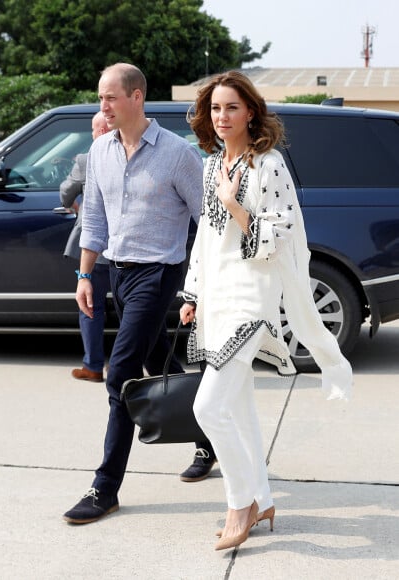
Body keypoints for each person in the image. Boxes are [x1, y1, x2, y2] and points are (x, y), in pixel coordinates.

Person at [179, 71, 352, 551]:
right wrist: (192, 295)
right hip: (216, 296)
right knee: (237, 407)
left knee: (207, 407)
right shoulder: (212, 164)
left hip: (250, 300)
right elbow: (206, 241)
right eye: (215, 109)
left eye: (232, 107)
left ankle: (241, 503)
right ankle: (263, 496)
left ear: (251, 111)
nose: (222, 117)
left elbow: (276, 239)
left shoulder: (268, 165)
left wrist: (237, 206)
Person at [63, 63, 216, 525]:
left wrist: (198, 287)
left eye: (110, 98)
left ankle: (104, 488)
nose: (102, 107)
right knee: (161, 367)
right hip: (118, 273)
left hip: (160, 272)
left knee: (121, 375)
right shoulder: (100, 152)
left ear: (137, 97)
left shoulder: (176, 154)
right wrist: (84, 276)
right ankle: (209, 438)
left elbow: (207, 221)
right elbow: (94, 219)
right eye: (100, 98)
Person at [60, 112, 111, 382]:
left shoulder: (85, 160)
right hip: (127, 246)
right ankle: (129, 365)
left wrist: (75, 207)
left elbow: (66, 192)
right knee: (131, 309)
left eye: (93, 129)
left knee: (90, 305)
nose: (92, 134)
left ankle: (92, 365)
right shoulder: (130, 152)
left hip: (95, 247)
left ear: (100, 130)